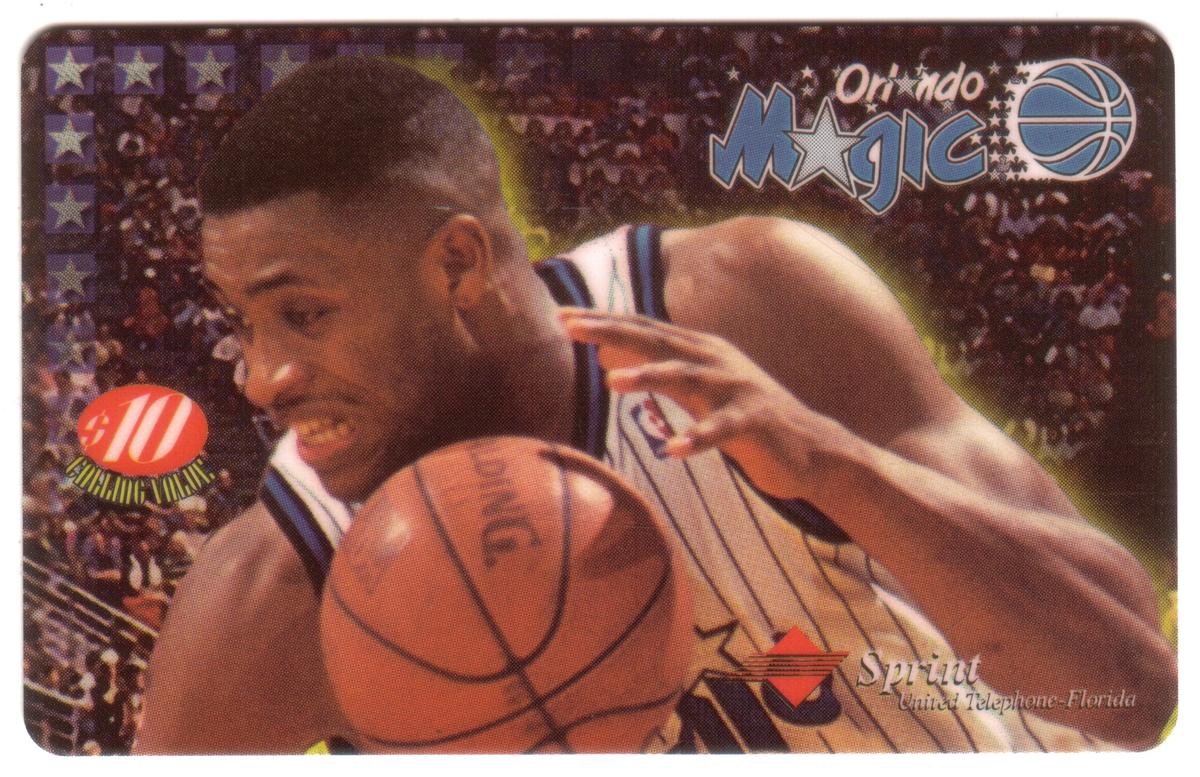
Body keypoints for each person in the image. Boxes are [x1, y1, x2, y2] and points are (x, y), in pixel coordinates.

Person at [134, 57, 1174, 754]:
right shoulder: (276, 591)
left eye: (303, 315)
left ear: (456, 264)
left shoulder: (750, 306)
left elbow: (1131, 691)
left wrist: (836, 469)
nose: (261, 377)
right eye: (243, 322)